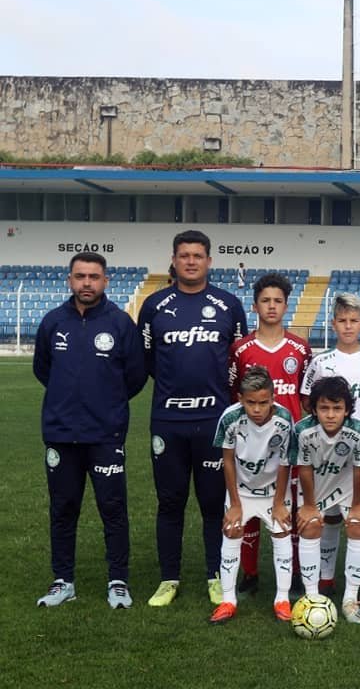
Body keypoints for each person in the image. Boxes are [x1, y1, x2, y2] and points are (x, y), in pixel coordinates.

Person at [138, 229, 248, 607]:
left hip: (215, 423)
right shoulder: (153, 306)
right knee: (170, 503)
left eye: (197, 255)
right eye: (183, 255)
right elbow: (148, 361)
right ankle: (169, 579)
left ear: (208, 261)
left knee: (212, 503)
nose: (190, 261)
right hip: (168, 421)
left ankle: (215, 576)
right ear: (173, 259)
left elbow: (237, 361)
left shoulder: (228, 305)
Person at [34, 251, 147, 608]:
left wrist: (106, 404)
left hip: (105, 435)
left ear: (105, 281)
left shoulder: (120, 324)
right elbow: (43, 370)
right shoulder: (53, 322)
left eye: (94, 277)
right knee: (63, 509)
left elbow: (135, 377)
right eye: (80, 276)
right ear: (70, 280)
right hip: (61, 433)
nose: (87, 283)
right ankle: (62, 580)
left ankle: (118, 581)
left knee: (112, 509)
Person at [227, 272, 312, 596]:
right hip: (250, 445)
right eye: (266, 300)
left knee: (287, 509)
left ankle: (289, 576)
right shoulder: (241, 349)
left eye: (278, 301)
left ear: (287, 306)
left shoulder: (300, 349)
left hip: (287, 448)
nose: (272, 306)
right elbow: (235, 393)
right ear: (255, 305)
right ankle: (249, 573)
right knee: (249, 509)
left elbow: (305, 399)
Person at [301, 292, 360, 591]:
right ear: (333, 324)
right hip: (325, 453)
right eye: (342, 320)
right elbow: (307, 400)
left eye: (354, 321)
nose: (348, 326)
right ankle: (325, 576)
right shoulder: (321, 360)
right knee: (328, 517)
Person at [208, 366, 295, 624]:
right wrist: (234, 504)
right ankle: (228, 600)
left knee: (281, 532)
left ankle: (282, 599)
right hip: (242, 492)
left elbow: (284, 463)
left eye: (263, 403)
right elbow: (228, 461)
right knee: (232, 530)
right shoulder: (229, 418)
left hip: (272, 491)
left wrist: (279, 503)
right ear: (240, 399)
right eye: (251, 403)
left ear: (273, 397)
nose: (257, 409)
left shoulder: (284, 419)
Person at [288, 376, 360, 622]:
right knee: (311, 526)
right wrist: (310, 506)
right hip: (317, 488)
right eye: (324, 408)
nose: (331, 415)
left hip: (348, 487)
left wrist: (357, 505)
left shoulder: (358, 430)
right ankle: (312, 597)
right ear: (314, 409)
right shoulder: (302, 430)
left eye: (337, 408)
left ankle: (350, 600)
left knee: (358, 527)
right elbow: (303, 468)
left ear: (347, 409)